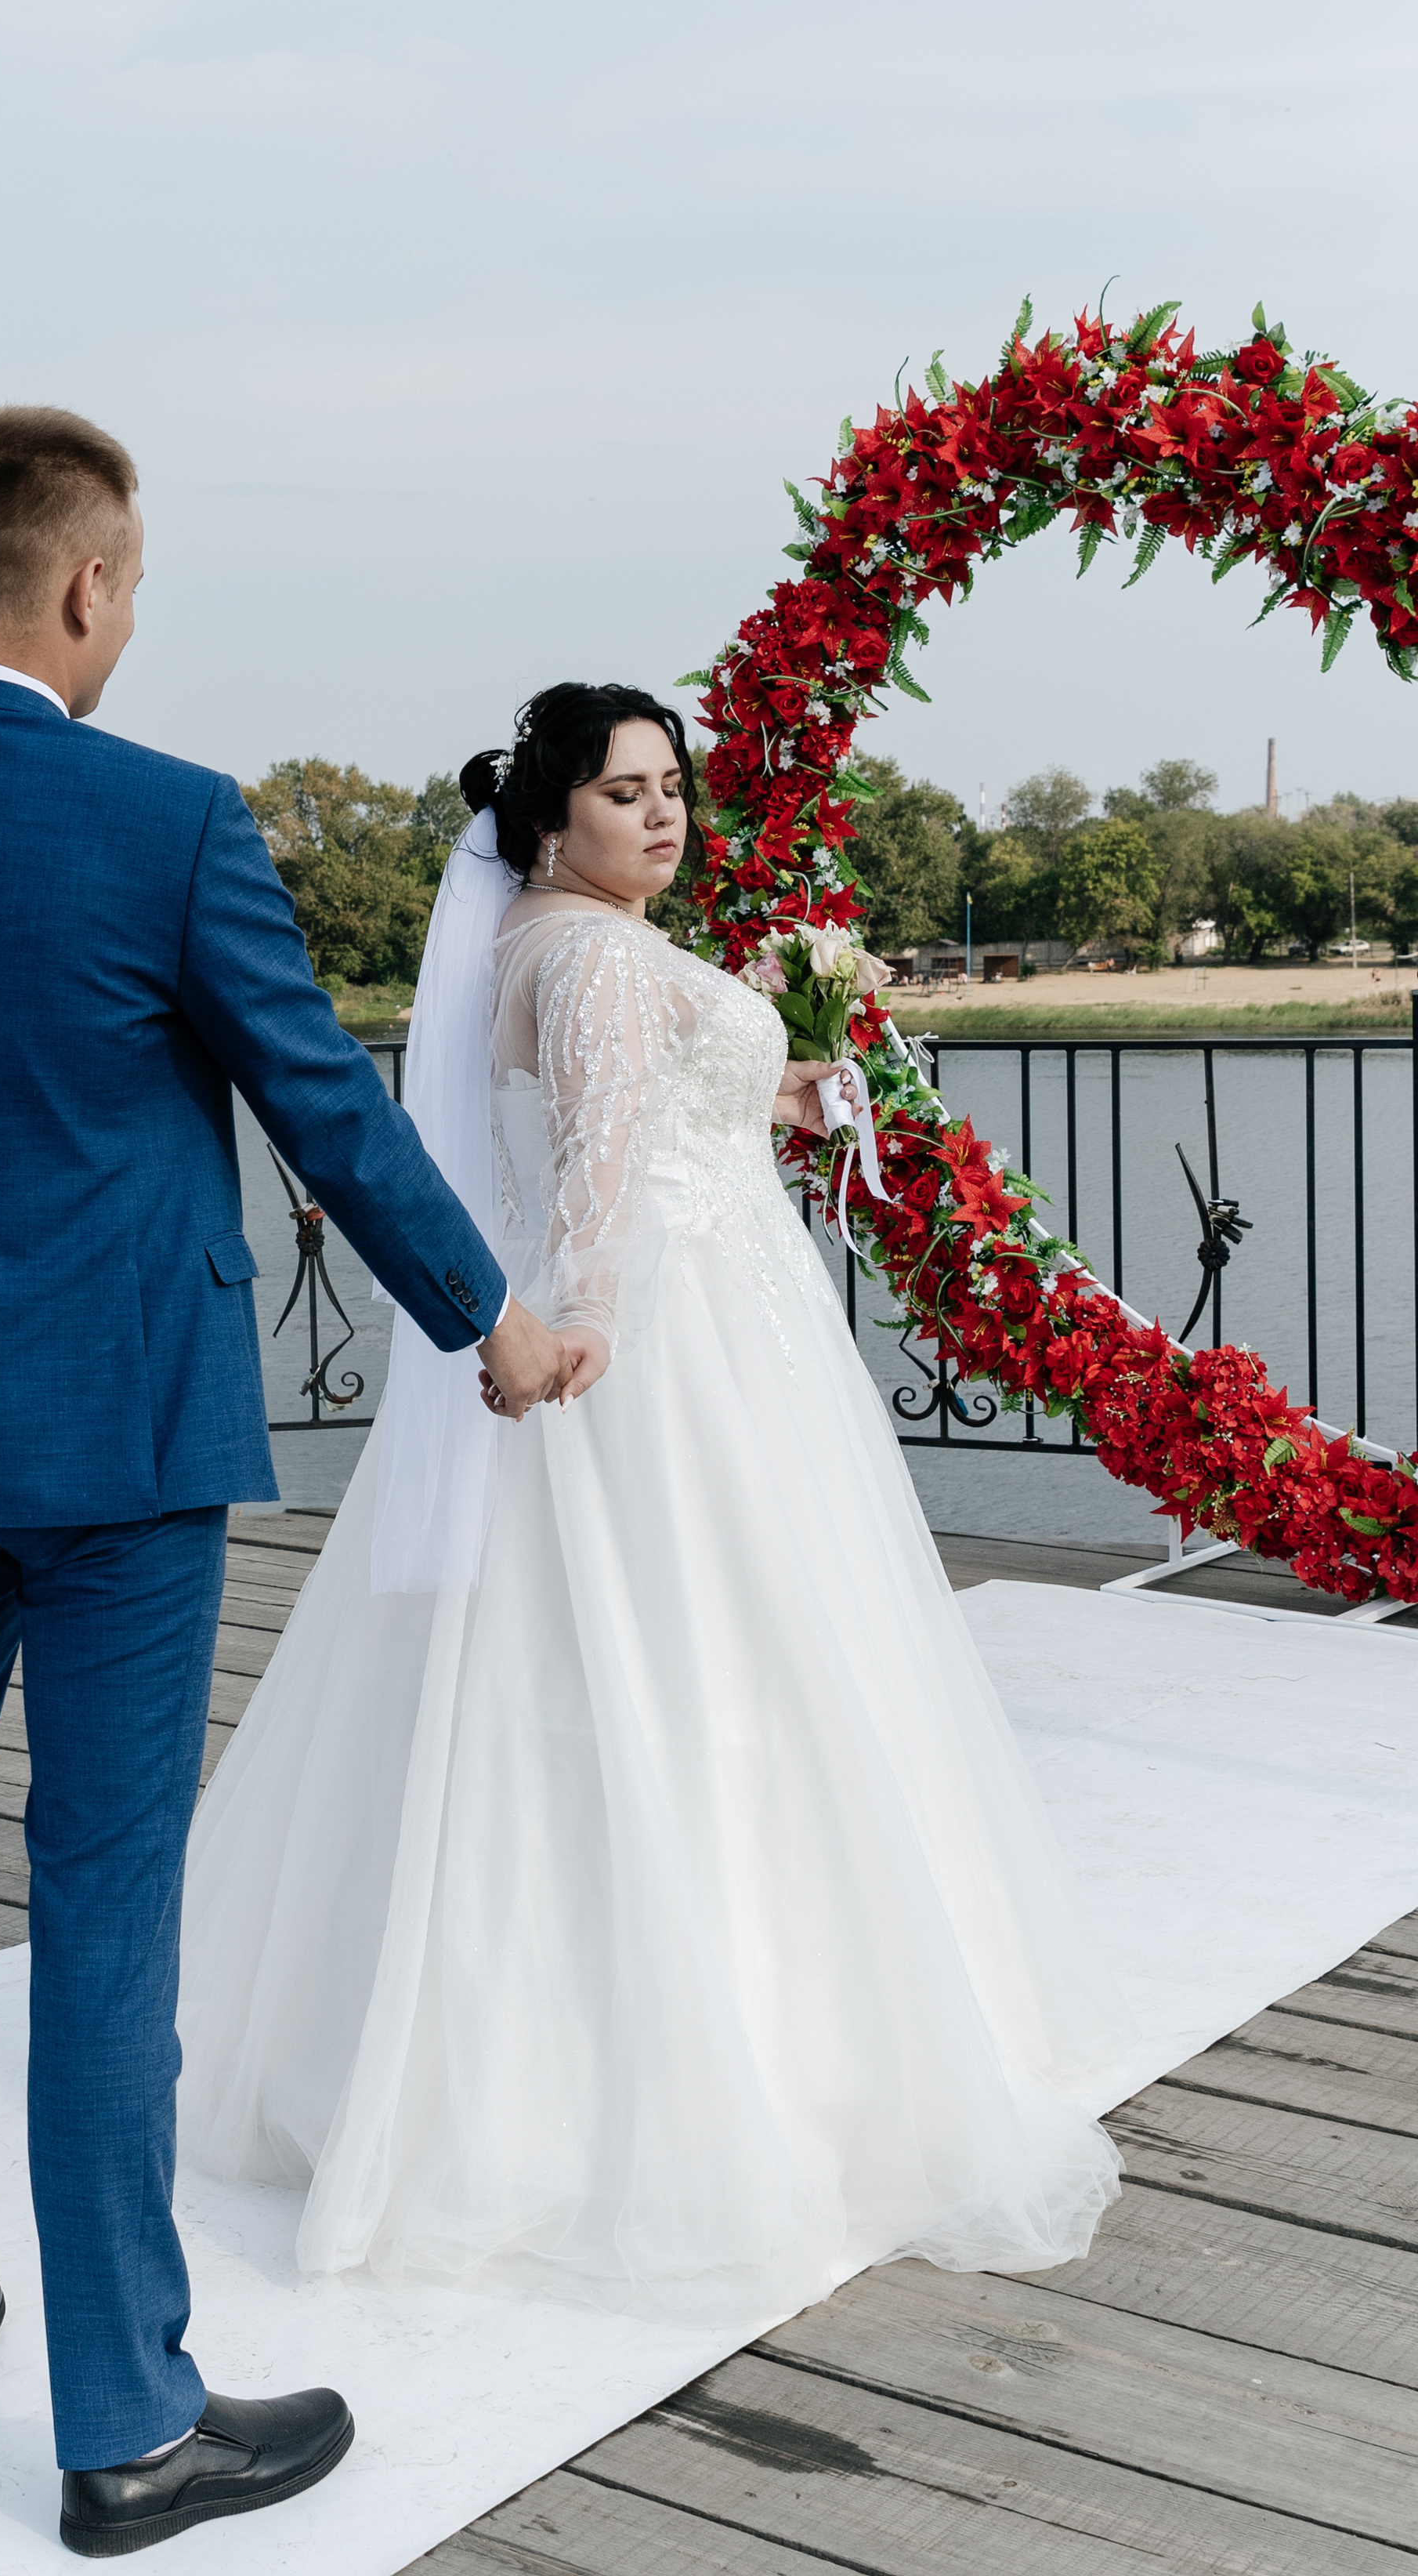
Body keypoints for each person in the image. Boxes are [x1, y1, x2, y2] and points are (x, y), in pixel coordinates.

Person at [0, 405, 570, 2557]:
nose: (134, 619)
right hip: (118, 1445)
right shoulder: (169, 822)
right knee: (100, 1908)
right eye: (138, 586)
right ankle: (127, 2428)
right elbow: (323, 1107)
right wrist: (484, 1316)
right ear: (85, 584)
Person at [177, 683, 1133, 2325]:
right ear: (549, 820)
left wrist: (773, 1088)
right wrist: (593, 1323)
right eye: (624, 793)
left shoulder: (552, 942)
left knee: (604, 1667)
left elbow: (619, 1111)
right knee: (725, 1656)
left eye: (671, 787)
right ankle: (750, 2056)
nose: (664, 814)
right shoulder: (600, 957)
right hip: (677, 1349)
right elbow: (597, 1170)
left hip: (701, 1314)